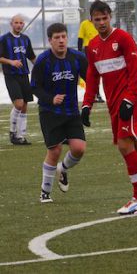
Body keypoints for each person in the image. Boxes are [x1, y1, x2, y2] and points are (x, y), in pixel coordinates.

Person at [81, 0, 137, 214]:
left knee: (124, 146)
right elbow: (92, 77)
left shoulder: (124, 39)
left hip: (131, 101)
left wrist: (130, 98)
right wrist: (87, 104)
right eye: (97, 19)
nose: (101, 22)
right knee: (135, 147)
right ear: (92, 20)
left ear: (111, 17)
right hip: (113, 104)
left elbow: (135, 71)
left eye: (104, 18)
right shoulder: (93, 47)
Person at [30, 23, 87, 203]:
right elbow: (34, 87)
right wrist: (50, 98)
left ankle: (63, 168)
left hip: (71, 111)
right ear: (50, 40)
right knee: (55, 150)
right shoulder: (43, 60)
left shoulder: (77, 57)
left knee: (79, 149)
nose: (61, 41)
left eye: (63, 36)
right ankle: (45, 192)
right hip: (49, 112)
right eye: (57, 38)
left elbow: (90, 78)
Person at [0, 14, 36, 145]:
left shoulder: (25, 39)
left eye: (21, 23)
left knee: (25, 106)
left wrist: (41, 67)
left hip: (24, 75)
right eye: (16, 22)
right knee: (19, 104)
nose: (19, 25)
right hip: (11, 75)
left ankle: (21, 136)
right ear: (11, 23)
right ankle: (12, 132)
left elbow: (31, 56)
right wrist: (11, 62)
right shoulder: (4, 39)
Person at [77, 18, 104, 103]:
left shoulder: (100, 23)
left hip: (99, 49)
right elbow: (80, 38)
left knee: (99, 72)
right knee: (90, 73)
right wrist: (79, 53)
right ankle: (93, 95)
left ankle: (97, 94)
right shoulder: (84, 23)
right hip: (88, 49)